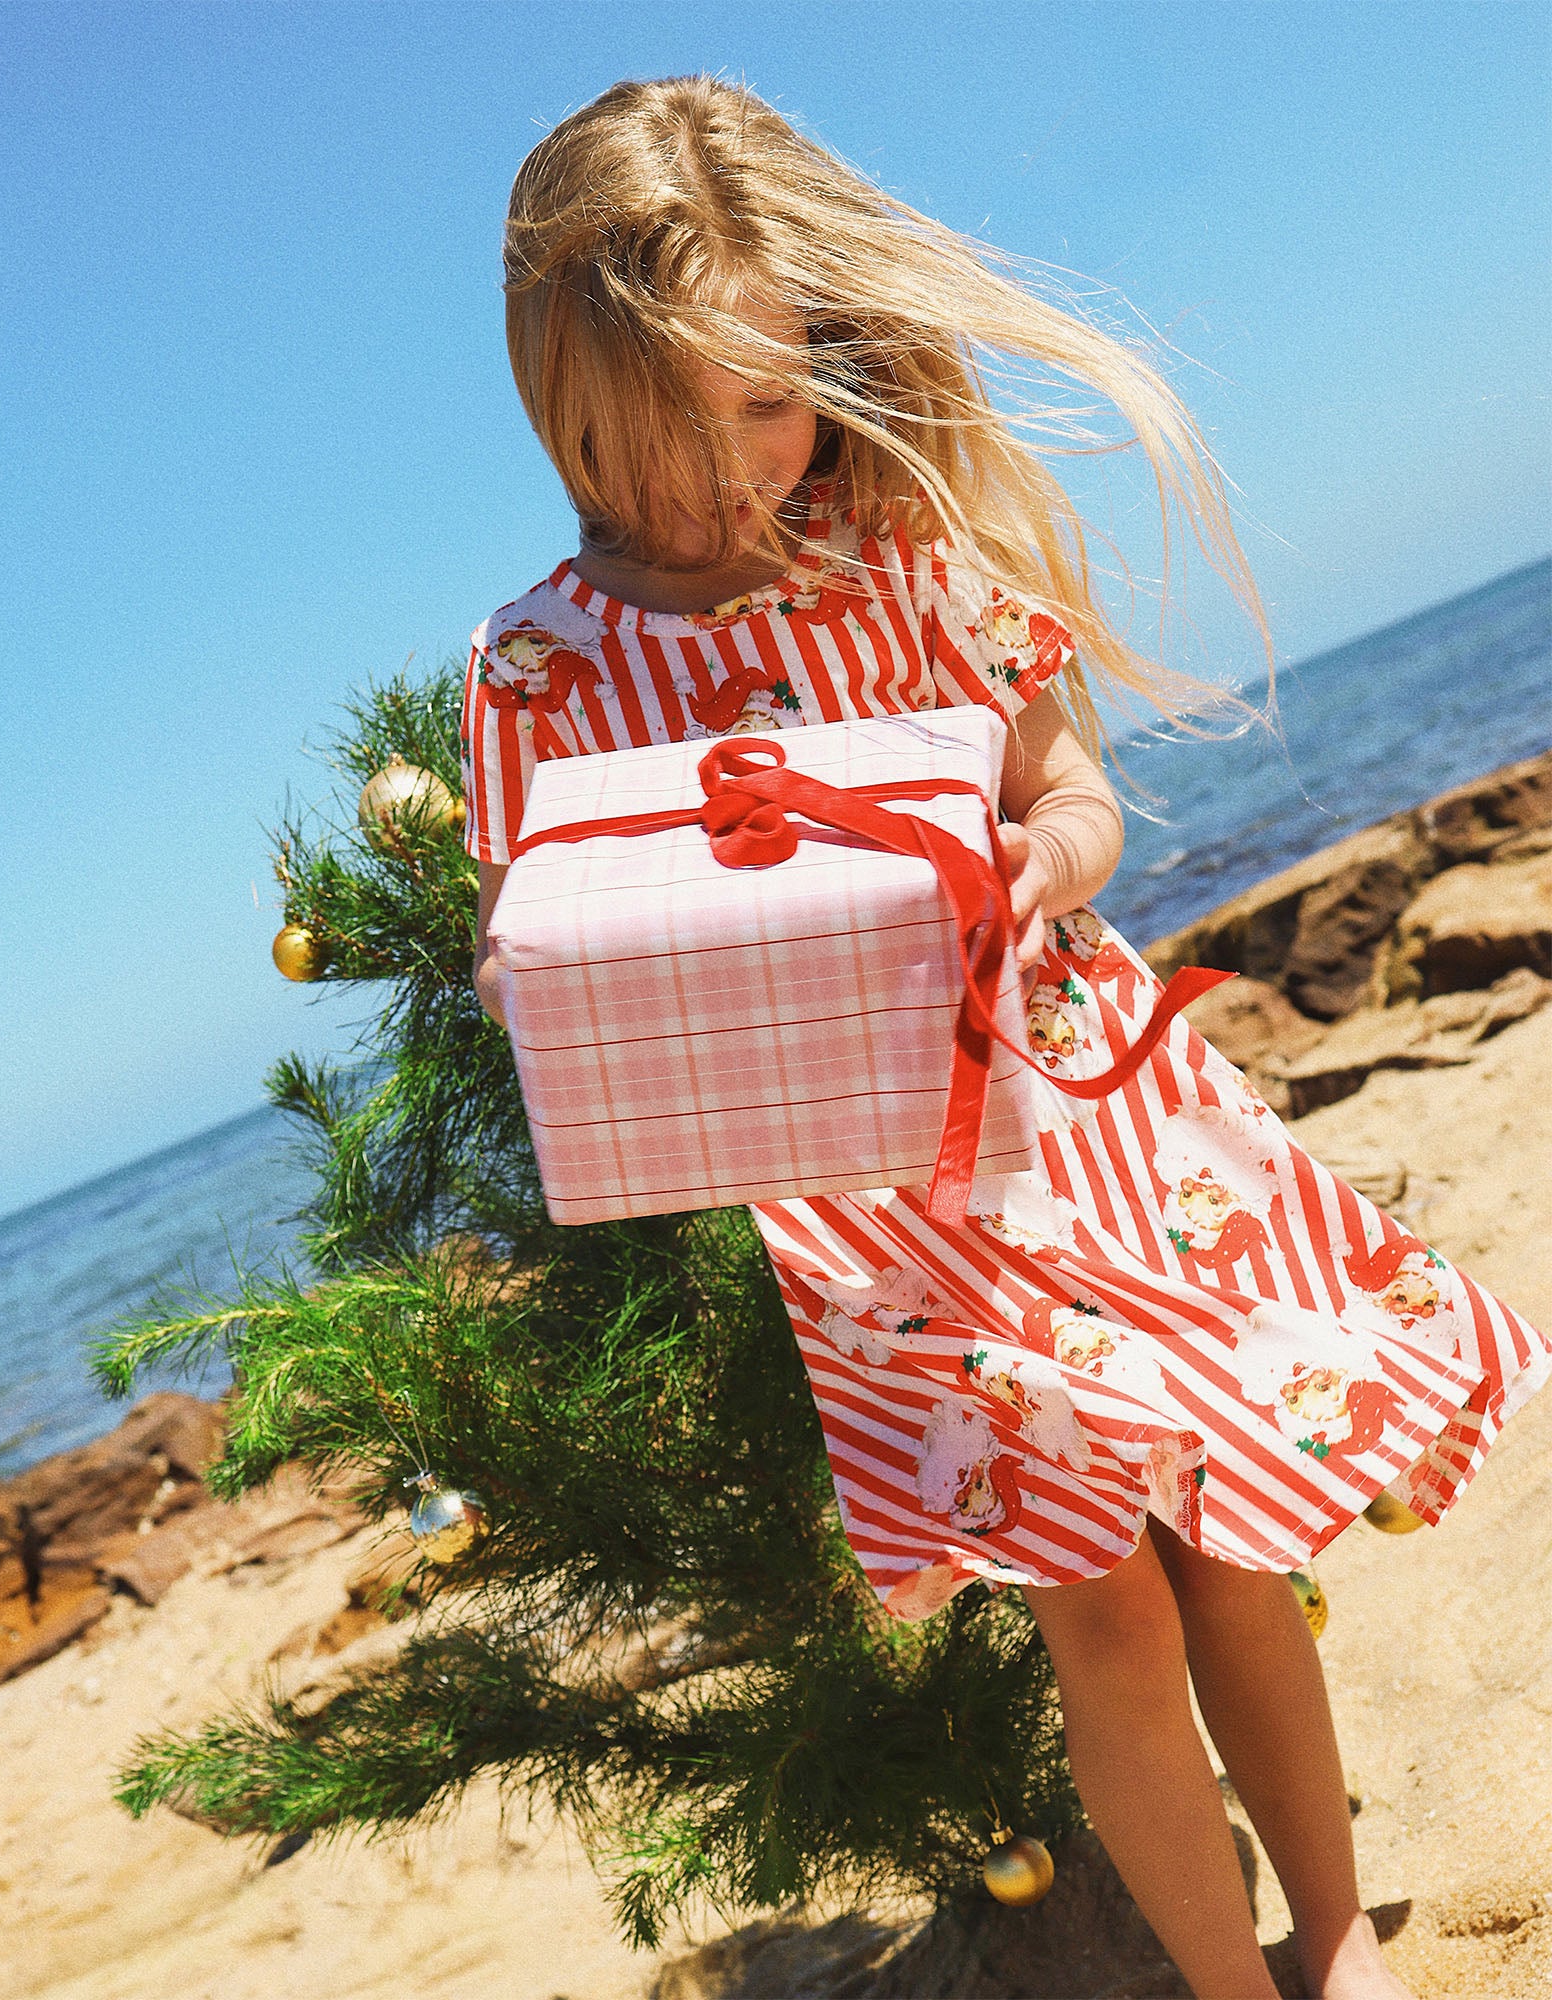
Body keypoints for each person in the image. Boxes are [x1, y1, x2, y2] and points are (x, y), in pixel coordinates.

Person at [460, 76, 1549, 2000]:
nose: (738, 468)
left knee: (1234, 1543)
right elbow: (524, 934)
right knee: (1100, 1614)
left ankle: (1339, 1942)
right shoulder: (542, 665)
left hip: (1093, 1113)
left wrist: (1045, 858)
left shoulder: (896, 546)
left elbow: (1071, 789)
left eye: (773, 399)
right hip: (879, 1210)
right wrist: (572, 977)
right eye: (671, 423)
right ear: (569, 401)